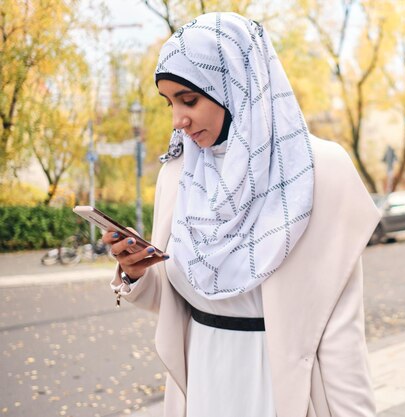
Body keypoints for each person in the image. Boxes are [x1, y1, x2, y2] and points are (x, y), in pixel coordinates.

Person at [104, 12, 380, 417]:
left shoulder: (317, 170)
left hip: (282, 388)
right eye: (169, 103)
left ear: (233, 81)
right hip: (202, 381)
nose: (177, 120)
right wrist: (137, 273)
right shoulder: (179, 174)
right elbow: (178, 299)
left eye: (189, 99)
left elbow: (340, 333)